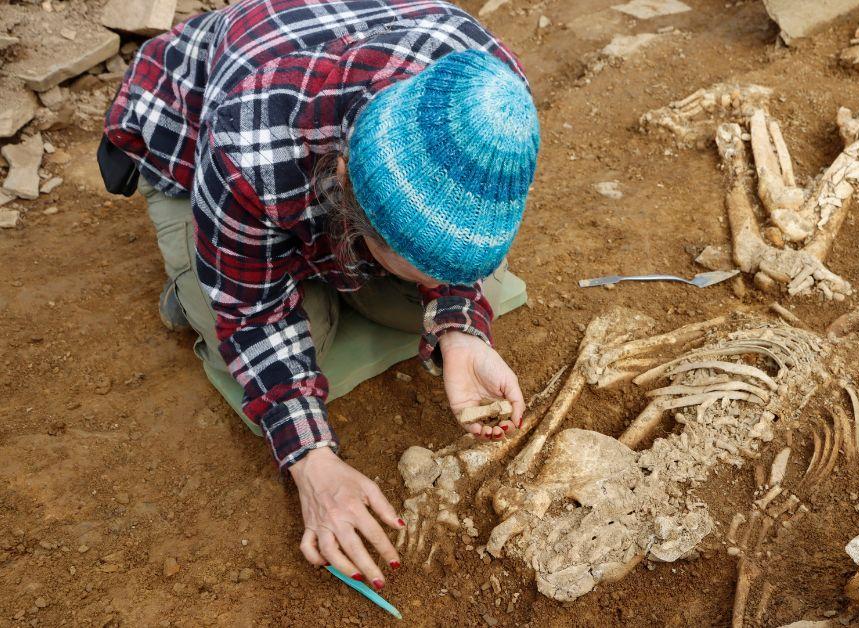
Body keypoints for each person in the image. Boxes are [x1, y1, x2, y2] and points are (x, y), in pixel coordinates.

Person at [99, 0, 539, 592]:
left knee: (401, 309)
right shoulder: (249, 139)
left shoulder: (491, 96)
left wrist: (460, 326)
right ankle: (196, 277)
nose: (433, 277)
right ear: (352, 196)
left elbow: (454, 253)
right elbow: (253, 317)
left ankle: (334, 267)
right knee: (286, 328)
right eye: (412, 259)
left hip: (328, 108)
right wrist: (313, 462)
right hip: (193, 119)